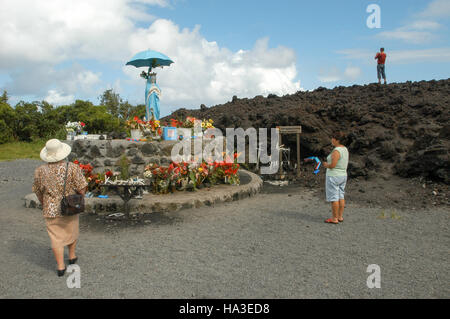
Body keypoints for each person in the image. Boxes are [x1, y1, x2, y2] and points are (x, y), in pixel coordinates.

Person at [32, 139, 88, 276]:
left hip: (50, 208)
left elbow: (38, 191)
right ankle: (72, 256)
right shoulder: (73, 168)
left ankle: (60, 267)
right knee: (72, 231)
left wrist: (44, 202)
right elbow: (82, 188)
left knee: (55, 237)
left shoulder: (40, 171)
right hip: (70, 206)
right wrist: (80, 195)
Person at [322, 131, 349, 224]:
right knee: (341, 195)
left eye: (333, 138)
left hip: (333, 176)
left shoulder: (337, 150)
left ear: (337, 140)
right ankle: (340, 216)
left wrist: (326, 165)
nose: (331, 140)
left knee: (334, 198)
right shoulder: (345, 149)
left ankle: (334, 218)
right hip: (343, 175)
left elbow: (333, 165)